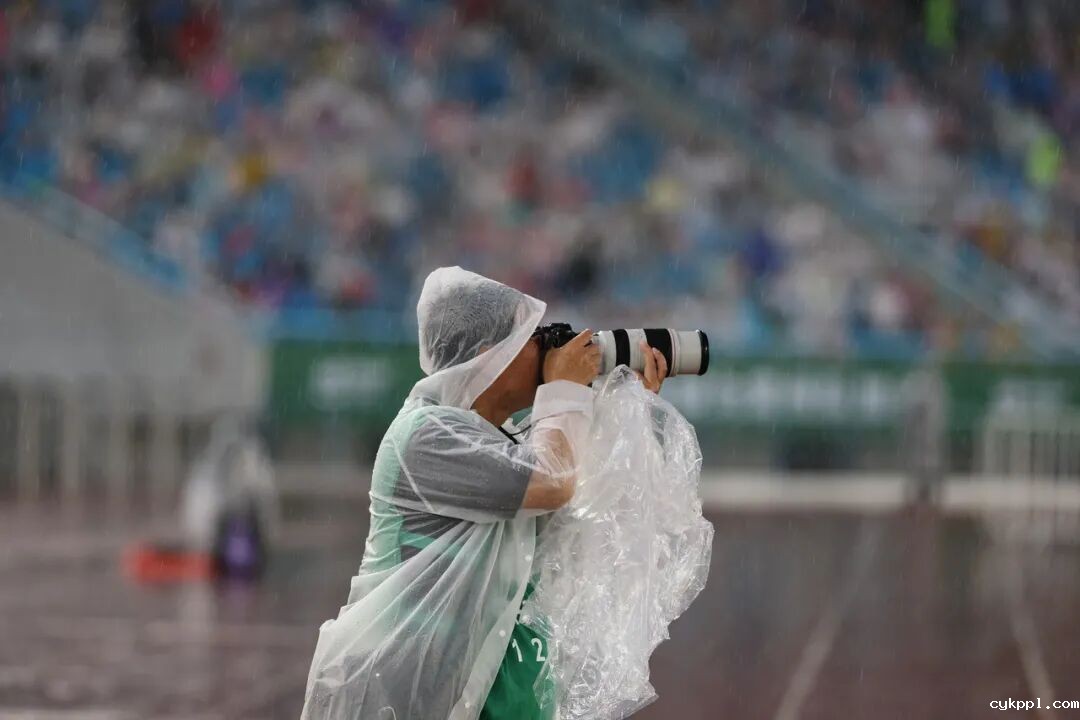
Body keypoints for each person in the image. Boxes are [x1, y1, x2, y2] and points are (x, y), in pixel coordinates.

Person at [302, 266, 668, 720]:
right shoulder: (424, 434)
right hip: (406, 693)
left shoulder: (502, 439)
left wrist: (627, 408)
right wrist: (562, 390)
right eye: (531, 339)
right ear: (487, 356)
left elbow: (580, 512)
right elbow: (552, 480)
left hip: (488, 690)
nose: (544, 351)